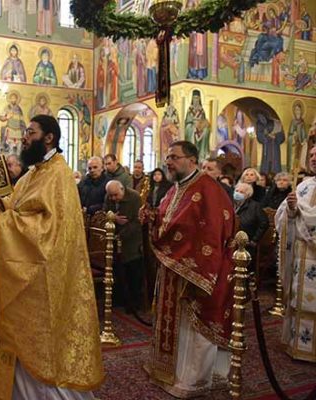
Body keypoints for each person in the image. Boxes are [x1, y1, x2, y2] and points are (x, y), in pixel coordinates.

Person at [0, 114, 104, 399]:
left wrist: (5, 224)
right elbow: (17, 206)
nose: (24, 137)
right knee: (21, 335)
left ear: (49, 137)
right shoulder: (33, 172)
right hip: (28, 270)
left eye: (31, 132)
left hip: (45, 274)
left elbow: (49, 228)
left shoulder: (59, 173)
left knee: (42, 339)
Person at [144, 140, 235, 398]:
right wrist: (153, 219)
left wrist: (190, 261)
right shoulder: (175, 189)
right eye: (167, 157)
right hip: (173, 266)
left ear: (192, 160)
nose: (168, 162)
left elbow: (214, 231)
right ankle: (170, 371)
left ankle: (193, 379)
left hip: (198, 270)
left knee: (193, 326)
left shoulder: (208, 189)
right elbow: (169, 221)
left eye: (174, 157)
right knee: (176, 324)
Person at [275, 145, 316, 363]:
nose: (313, 158)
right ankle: (298, 346)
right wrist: (291, 209)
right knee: (299, 298)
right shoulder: (303, 186)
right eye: (311, 155)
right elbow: (284, 217)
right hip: (302, 255)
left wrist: (300, 211)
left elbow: (308, 216)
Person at [104, 180, 144, 313]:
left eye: (115, 195)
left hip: (132, 241)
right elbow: (105, 212)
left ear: (122, 189)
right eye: (111, 196)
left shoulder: (134, 197)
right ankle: (120, 299)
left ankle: (134, 303)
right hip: (115, 240)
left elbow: (138, 221)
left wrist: (121, 235)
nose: (113, 198)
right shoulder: (109, 196)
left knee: (133, 272)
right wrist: (113, 218)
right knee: (118, 271)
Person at [233, 182, 268, 262]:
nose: (238, 193)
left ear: (248, 195)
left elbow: (264, 223)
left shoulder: (255, 206)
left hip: (247, 242)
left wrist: (254, 240)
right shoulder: (230, 203)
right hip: (231, 241)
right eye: (236, 191)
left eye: (241, 192)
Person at [184, 90, 210, 160]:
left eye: (197, 98)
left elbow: (204, 120)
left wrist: (202, 125)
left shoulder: (202, 110)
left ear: (200, 99)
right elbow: (187, 122)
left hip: (200, 128)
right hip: (192, 127)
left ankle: (202, 153)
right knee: (190, 128)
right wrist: (193, 125)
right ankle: (191, 152)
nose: (196, 100)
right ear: (192, 99)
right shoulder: (189, 109)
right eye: (194, 98)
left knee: (206, 130)